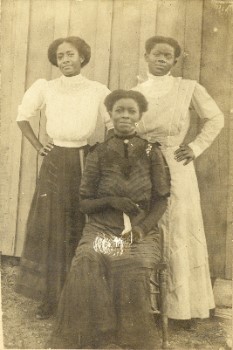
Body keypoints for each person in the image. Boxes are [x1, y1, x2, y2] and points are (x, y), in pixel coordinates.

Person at [48, 89, 171, 349]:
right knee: (87, 259)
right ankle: (100, 335)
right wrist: (111, 202)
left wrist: (141, 228)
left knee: (132, 262)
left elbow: (161, 199)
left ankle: (127, 339)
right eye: (119, 111)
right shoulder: (99, 153)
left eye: (131, 111)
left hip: (140, 232)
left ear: (139, 116)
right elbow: (84, 202)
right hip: (101, 228)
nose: (125, 116)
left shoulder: (151, 152)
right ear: (111, 114)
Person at [15, 36, 113, 319]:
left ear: (83, 57)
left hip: (83, 160)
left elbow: (111, 124)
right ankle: (50, 298)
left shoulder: (97, 90)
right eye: (60, 56)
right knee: (52, 226)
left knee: (79, 224)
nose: (65, 60)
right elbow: (23, 117)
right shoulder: (45, 88)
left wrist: (100, 154)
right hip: (56, 160)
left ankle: (78, 296)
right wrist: (39, 146)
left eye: (71, 54)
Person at [133, 35, 224, 324]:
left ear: (174, 61)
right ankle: (147, 308)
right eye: (156, 54)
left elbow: (216, 118)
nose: (161, 59)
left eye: (167, 56)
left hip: (177, 163)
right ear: (146, 56)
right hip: (144, 163)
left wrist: (194, 147)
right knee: (148, 226)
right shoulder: (135, 91)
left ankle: (182, 309)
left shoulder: (188, 88)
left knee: (180, 230)